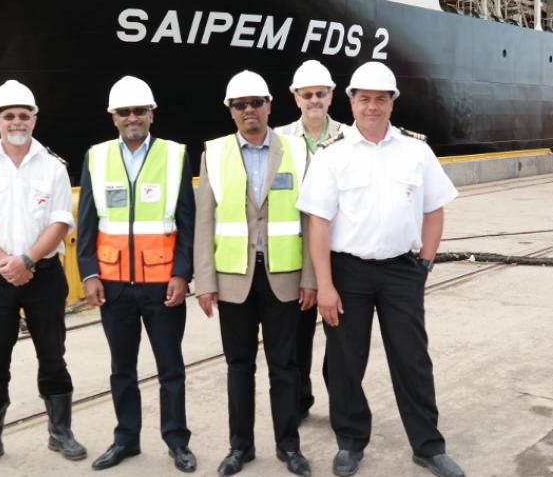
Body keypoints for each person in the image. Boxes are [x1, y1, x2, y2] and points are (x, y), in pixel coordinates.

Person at [296, 62, 465, 477]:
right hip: (347, 273)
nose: (373, 107)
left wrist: (423, 263)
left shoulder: (416, 151)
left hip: (402, 272)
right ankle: (350, 442)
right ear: (351, 101)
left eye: (381, 99)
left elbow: (434, 210)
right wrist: (326, 285)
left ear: (393, 103)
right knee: (344, 362)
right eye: (365, 98)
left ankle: (428, 446)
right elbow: (318, 222)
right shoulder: (331, 155)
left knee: (413, 360)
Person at [0, 79, 86, 472]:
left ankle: (60, 432)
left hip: (43, 276)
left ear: (34, 119)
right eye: (8, 115)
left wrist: (26, 260)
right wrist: (6, 264)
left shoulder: (53, 167)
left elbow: (61, 221)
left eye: (23, 115)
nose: (16, 121)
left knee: (53, 356)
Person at [194, 70, 315, 477]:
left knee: (286, 365)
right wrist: (205, 283)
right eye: (240, 104)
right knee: (238, 366)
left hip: (284, 276)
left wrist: (311, 278)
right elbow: (204, 225)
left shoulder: (297, 150)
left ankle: (288, 447)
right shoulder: (214, 153)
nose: (249, 110)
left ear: (269, 105)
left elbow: (311, 220)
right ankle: (240, 448)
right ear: (231, 111)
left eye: (256, 103)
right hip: (234, 280)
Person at [78, 76, 197, 473]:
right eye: (124, 112)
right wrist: (89, 274)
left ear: (152, 115)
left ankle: (177, 441)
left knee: (171, 369)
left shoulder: (175, 155)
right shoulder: (96, 157)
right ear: (113, 117)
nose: (132, 118)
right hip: (113, 286)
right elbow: (88, 221)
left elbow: (187, 222)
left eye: (139, 111)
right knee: (121, 369)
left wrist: (183, 274)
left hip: (162, 285)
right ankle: (125, 439)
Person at [274, 60, 346, 421]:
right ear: (295, 98)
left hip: (341, 252)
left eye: (320, 93)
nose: (314, 100)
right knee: (296, 337)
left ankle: (341, 405)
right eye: (308, 94)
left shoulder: (350, 138)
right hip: (297, 254)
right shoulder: (279, 141)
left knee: (341, 339)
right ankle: (300, 400)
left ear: (331, 95)